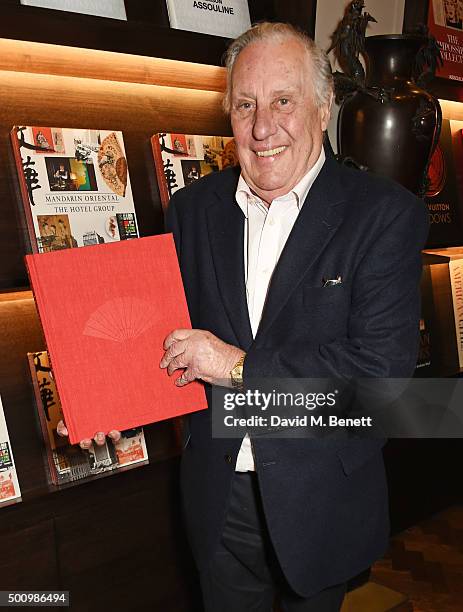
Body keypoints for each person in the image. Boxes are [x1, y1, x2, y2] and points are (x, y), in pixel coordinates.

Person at [61, 21, 428, 612]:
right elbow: (160, 334)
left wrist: (235, 366)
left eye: (283, 101)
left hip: (320, 499)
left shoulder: (384, 216)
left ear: (324, 102)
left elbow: (379, 380)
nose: (262, 128)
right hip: (219, 495)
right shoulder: (191, 210)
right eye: (245, 105)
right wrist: (116, 401)